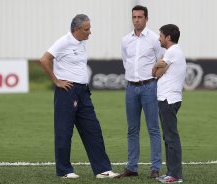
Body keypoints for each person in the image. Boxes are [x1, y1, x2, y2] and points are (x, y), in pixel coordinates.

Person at [40, 14, 119, 179]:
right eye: (86, 29)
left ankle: (103, 170)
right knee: (64, 131)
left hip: (83, 92)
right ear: (76, 29)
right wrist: (56, 81)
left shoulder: (82, 42)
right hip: (67, 92)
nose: (90, 32)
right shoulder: (64, 41)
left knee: (93, 129)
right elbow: (44, 60)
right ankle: (64, 171)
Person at [116, 5, 164, 179]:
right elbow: (125, 62)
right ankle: (132, 167)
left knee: (153, 128)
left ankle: (155, 168)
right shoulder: (125, 40)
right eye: (134, 17)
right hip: (130, 88)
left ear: (146, 19)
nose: (137, 20)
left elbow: (161, 62)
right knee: (132, 129)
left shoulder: (153, 39)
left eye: (140, 17)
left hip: (149, 87)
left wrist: (153, 81)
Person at [152, 24, 186, 183]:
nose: (159, 38)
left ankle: (175, 174)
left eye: (160, 35)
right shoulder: (172, 52)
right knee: (168, 136)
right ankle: (171, 172)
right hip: (167, 98)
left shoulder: (172, 52)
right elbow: (156, 73)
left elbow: (157, 74)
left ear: (168, 38)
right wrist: (156, 66)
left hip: (168, 99)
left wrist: (156, 66)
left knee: (171, 137)